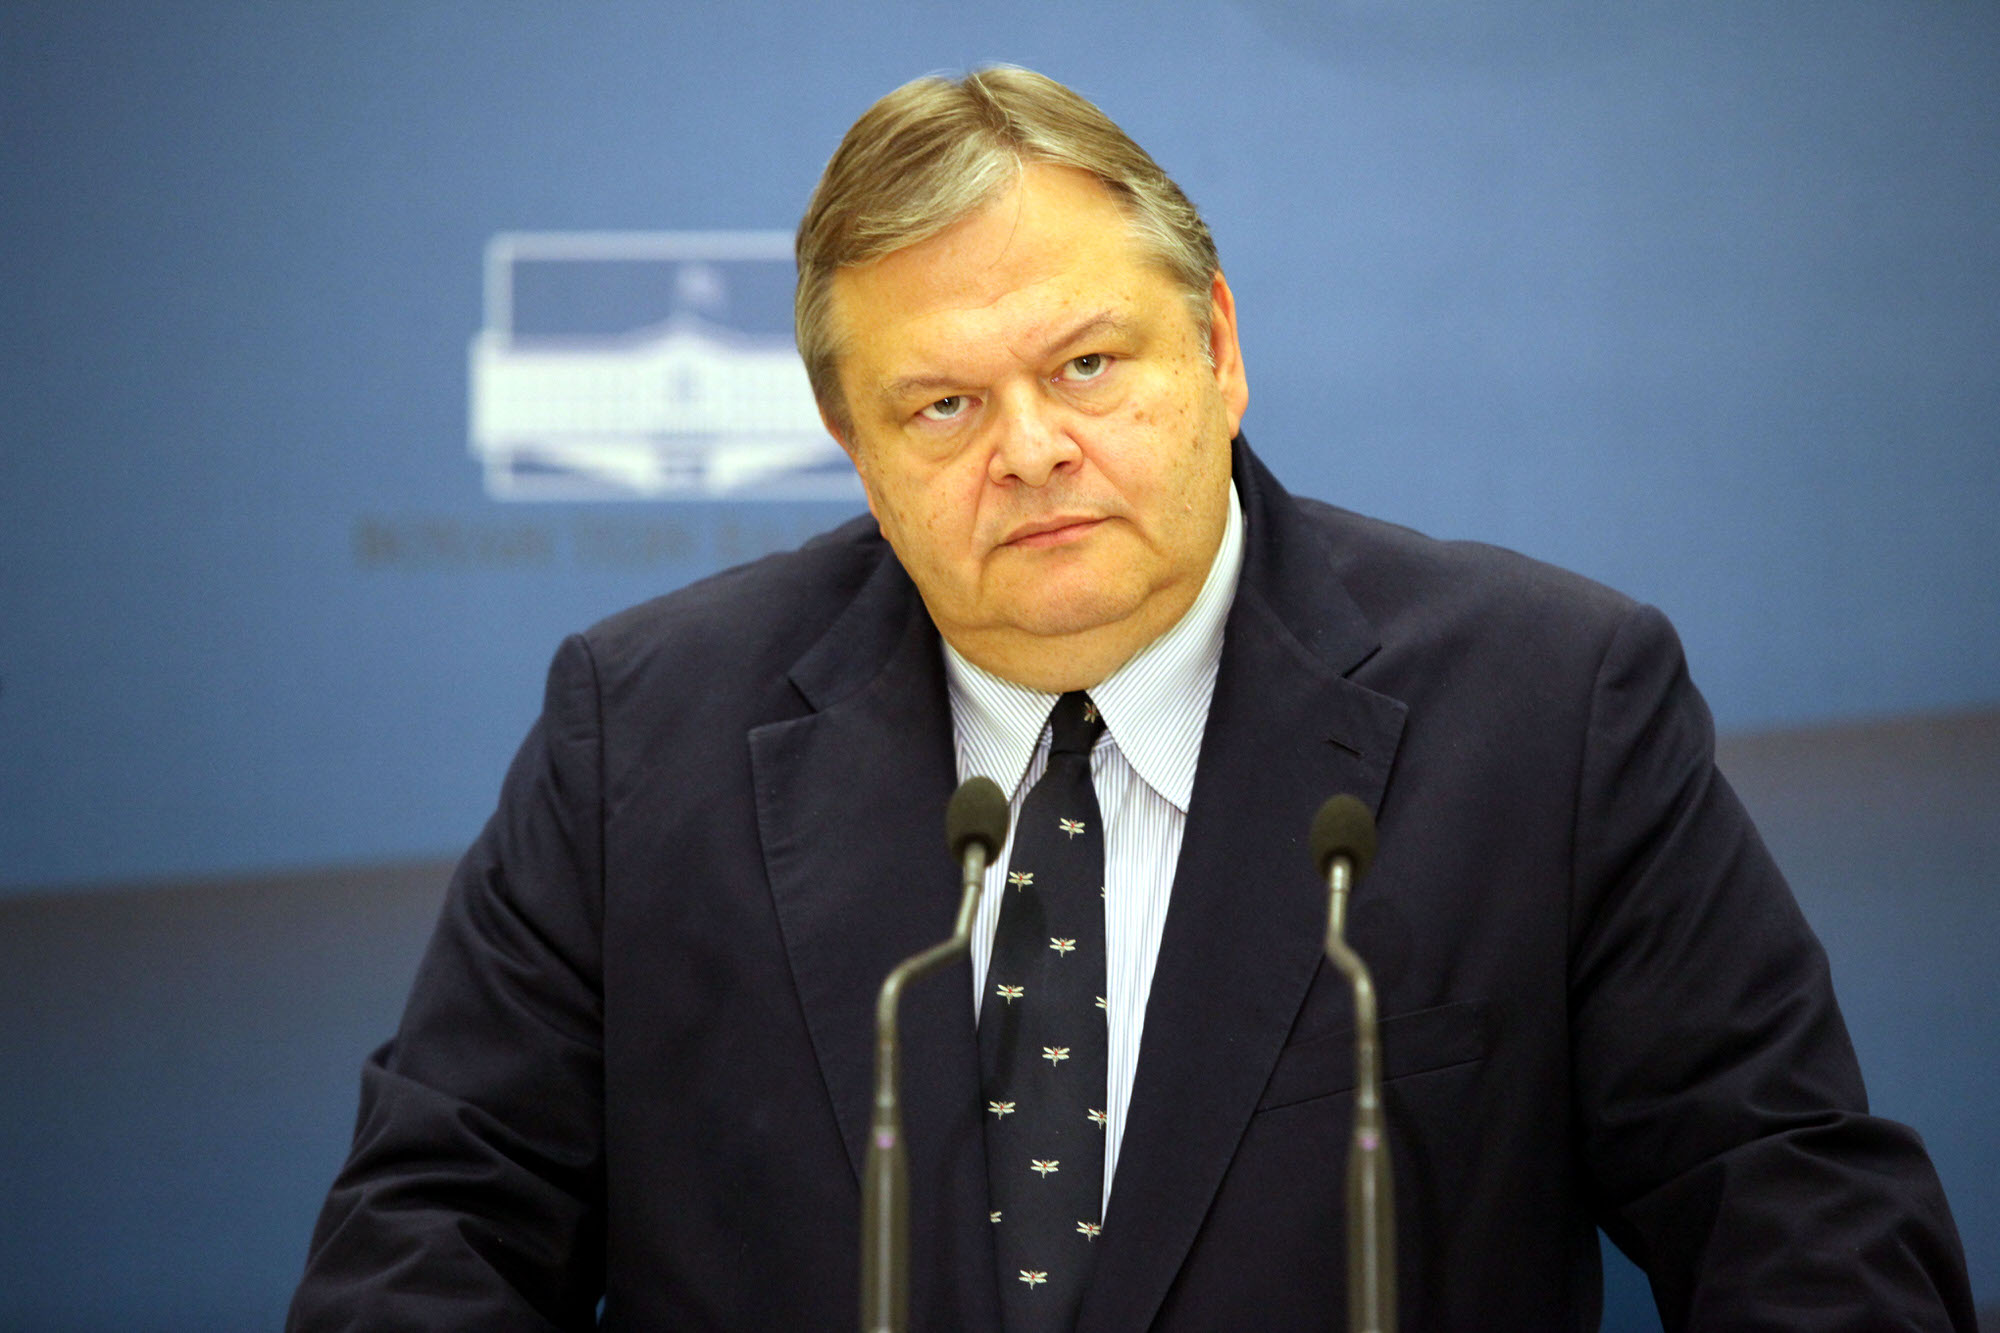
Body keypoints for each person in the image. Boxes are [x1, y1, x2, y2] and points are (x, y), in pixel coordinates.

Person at [289, 67, 1975, 1331]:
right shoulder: (641, 735)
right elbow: (434, 1231)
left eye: (1087, 365)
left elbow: (1801, 1213)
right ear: (854, 448)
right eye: (942, 405)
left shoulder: (1551, 708)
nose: (1030, 448)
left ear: (1220, 348)